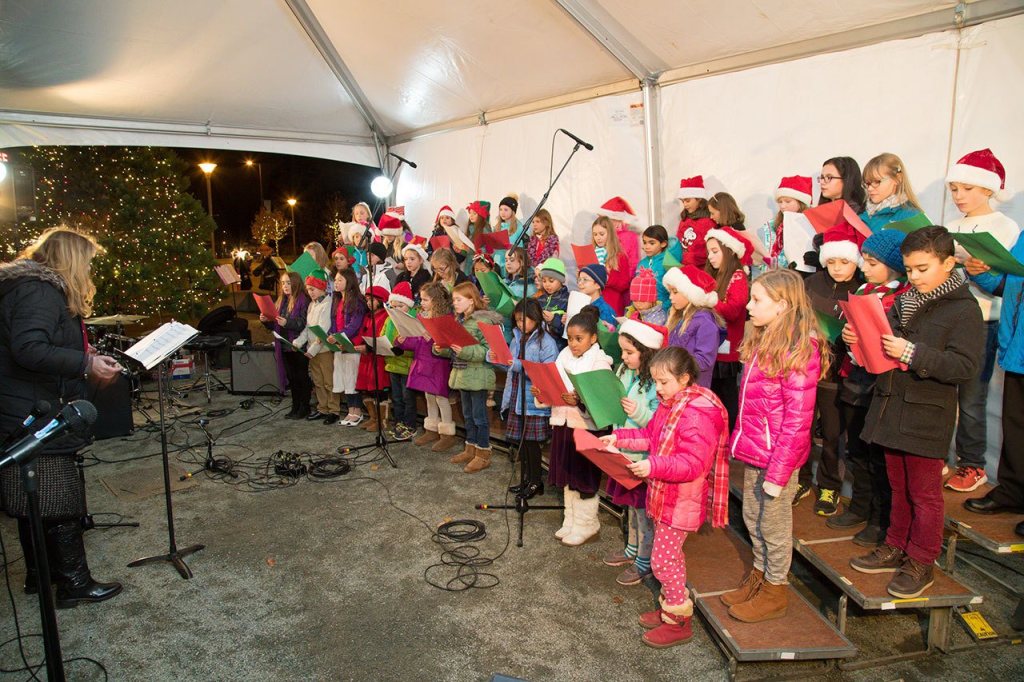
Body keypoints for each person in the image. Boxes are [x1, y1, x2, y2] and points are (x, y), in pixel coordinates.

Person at [852, 227, 984, 598]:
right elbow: (883, 347)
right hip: (891, 406)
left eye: (923, 268)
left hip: (927, 413)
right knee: (897, 486)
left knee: (924, 494)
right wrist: (860, 342)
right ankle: (896, 544)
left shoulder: (964, 309)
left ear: (948, 262)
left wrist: (910, 352)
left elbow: (965, 366)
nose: (914, 277)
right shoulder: (907, 299)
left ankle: (922, 560)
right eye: (909, 270)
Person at [0, 227, 123, 607]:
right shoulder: (39, 291)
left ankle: (41, 575)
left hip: (23, 405)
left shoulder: (27, 287)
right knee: (60, 499)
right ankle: (74, 583)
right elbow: (29, 348)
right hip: (36, 410)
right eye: (86, 262)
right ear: (70, 259)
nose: (89, 271)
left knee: (32, 498)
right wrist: (86, 363)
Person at [609, 346, 730, 648]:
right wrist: (618, 438)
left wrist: (652, 465)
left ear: (685, 378)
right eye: (655, 382)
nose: (658, 389)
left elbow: (693, 464)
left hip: (681, 501)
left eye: (664, 382)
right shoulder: (671, 404)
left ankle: (679, 622)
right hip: (666, 495)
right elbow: (651, 437)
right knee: (667, 559)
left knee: (663, 561)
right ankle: (669, 608)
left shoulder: (696, 412)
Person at [723, 269, 825, 623]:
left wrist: (780, 473)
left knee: (774, 524)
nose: (748, 307)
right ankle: (760, 574)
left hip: (778, 459)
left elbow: (798, 421)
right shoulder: (763, 341)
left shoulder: (800, 350)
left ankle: (776, 588)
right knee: (752, 516)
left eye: (757, 300)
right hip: (757, 452)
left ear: (782, 305)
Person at [944, 149, 1020, 492]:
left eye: (967, 189)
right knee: (944, 394)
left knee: (972, 398)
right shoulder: (951, 226)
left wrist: (980, 270)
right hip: (951, 318)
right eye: (954, 190)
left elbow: (1007, 278)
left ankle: (972, 464)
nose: (959, 197)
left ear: (988, 190)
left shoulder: (1005, 227)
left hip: (984, 320)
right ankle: (940, 457)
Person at [831, 229, 911, 545]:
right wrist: (847, 336)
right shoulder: (863, 290)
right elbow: (849, 330)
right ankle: (860, 506)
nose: (865, 266)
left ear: (893, 266)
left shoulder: (901, 297)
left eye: (872, 261)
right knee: (856, 451)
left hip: (879, 384)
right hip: (854, 380)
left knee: (878, 457)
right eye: (864, 259)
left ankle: (881, 518)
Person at [800, 224, 865, 517]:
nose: (837, 268)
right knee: (799, 428)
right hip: (805, 367)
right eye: (832, 261)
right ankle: (799, 479)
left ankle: (829, 485)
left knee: (832, 433)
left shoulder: (862, 289)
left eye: (845, 262)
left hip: (838, 373)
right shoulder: (813, 284)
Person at [537, 307, 614, 546]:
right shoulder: (563, 356)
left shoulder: (600, 362)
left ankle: (588, 524)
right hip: (564, 423)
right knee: (568, 475)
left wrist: (580, 400)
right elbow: (556, 384)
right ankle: (571, 521)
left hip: (586, 427)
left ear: (593, 338)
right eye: (570, 338)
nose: (573, 343)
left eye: (579, 339)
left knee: (584, 476)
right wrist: (544, 392)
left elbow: (603, 402)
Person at [964, 228, 1024, 537]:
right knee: (1015, 425)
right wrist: (982, 274)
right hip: (1018, 348)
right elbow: (1009, 284)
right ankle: (1013, 491)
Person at [601, 319, 664, 587]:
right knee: (629, 507)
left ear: (646, 353)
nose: (624, 357)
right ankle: (632, 549)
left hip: (643, 458)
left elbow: (659, 422)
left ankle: (644, 561)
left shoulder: (655, 383)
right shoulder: (625, 372)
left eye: (629, 352)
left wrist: (636, 412)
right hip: (623, 451)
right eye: (623, 352)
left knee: (642, 511)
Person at [497, 299, 559, 498]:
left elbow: (548, 373)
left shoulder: (546, 341)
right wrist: (497, 358)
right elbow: (510, 365)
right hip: (515, 394)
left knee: (532, 444)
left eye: (524, 320)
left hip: (533, 399)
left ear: (535, 317)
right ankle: (526, 479)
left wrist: (515, 364)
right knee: (521, 442)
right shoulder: (517, 337)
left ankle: (535, 482)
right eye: (517, 320)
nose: (520, 324)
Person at [442, 282, 503, 472]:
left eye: (458, 299)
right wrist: (441, 348)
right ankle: (470, 448)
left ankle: (483, 453)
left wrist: (465, 350)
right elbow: (455, 350)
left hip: (478, 374)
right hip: (462, 373)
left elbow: (490, 350)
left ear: (471, 300)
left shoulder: (482, 321)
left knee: (479, 417)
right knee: (467, 415)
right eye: (453, 300)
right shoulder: (458, 320)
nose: (455, 303)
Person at [399, 283, 458, 453]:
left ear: (436, 300)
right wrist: (403, 341)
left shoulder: (445, 318)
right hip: (423, 362)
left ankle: (447, 434)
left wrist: (430, 337)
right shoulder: (421, 317)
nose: (422, 302)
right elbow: (416, 341)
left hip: (438, 364)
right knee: (429, 397)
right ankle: (431, 429)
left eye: (425, 299)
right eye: (421, 299)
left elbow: (447, 343)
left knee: (441, 398)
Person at [704, 226, 752, 429]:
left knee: (727, 395)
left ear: (729, 251)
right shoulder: (716, 277)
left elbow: (733, 310)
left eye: (715, 251)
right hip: (714, 347)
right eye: (709, 252)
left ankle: (731, 434)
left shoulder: (738, 276)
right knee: (713, 394)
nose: (710, 257)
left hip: (728, 349)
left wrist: (707, 301)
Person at [663, 266, 723, 388]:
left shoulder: (705, 322)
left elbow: (705, 360)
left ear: (690, 293)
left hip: (693, 387)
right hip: (676, 384)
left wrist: (674, 363)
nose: (670, 297)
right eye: (669, 292)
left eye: (675, 292)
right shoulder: (678, 316)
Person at [261, 271, 310, 419]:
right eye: (283, 283)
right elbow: (276, 325)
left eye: (288, 283)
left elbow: (304, 323)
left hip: (297, 345)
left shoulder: (303, 300)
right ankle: (295, 406)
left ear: (295, 283)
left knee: (301, 377)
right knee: (292, 377)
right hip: (283, 344)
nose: (285, 286)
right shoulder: (281, 301)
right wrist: (266, 321)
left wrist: (287, 323)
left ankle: (304, 407)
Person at [330, 270, 367, 427]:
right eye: (335, 280)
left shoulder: (357, 301)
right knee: (345, 378)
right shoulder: (339, 300)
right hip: (341, 344)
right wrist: (332, 335)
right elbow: (334, 321)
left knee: (353, 379)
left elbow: (354, 325)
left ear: (349, 281)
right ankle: (350, 410)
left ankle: (357, 411)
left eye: (339, 280)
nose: (336, 283)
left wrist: (339, 336)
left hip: (352, 345)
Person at [353, 286, 391, 433]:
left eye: (373, 299)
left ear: (381, 301)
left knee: (379, 390)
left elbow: (381, 338)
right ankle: (373, 417)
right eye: (367, 299)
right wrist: (354, 345)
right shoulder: (368, 316)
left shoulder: (385, 316)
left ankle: (383, 421)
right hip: (367, 358)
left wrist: (368, 348)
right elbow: (362, 334)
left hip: (378, 358)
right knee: (366, 389)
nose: (369, 302)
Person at [858, 153, 923, 233]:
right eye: (867, 183)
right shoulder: (862, 211)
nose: (870, 188)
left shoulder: (912, 217)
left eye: (876, 181)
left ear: (897, 179)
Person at [592, 216, 631, 315]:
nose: (598, 238)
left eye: (601, 234)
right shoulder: (592, 253)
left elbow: (625, 284)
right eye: (595, 234)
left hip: (612, 303)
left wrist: (608, 276)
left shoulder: (620, 255)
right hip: (594, 303)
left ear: (610, 234)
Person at [676, 176, 716, 268]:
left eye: (688, 200)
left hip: (700, 269)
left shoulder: (709, 222)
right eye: (683, 201)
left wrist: (689, 257)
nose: (685, 205)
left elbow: (710, 248)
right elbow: (679, 241)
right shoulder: (684, 218)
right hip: (682, 266)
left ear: (699, 198)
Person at [637, 225, 671, 310]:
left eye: (652, 243)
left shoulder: (668, 263)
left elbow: (676, 291)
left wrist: (663, 308)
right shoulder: (642, 263)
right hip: (643, 310)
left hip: (663, 310)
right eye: (645, 242)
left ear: (663, 244)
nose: (647, 246)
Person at [535, 258, 569, 340]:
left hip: (558, 344)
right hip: (540, 342)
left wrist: (553, 319)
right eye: (544, 281)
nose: (547, 285)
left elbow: (568, 329)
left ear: (561, 281)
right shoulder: (540, 299)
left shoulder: (568, 299)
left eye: (551, 281)